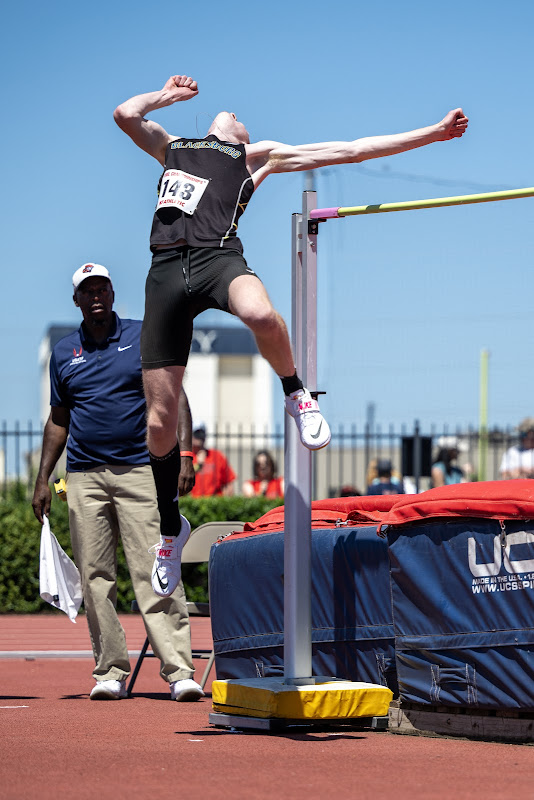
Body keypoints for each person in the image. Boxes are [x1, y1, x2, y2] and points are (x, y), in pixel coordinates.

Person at [113, 73, 468, 592]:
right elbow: (125, 114)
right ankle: (170, 528)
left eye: (241, 120)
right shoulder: (173, 146)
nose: (233, 110)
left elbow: (351, 150)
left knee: (260, 315)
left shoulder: (258, 157)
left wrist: (431, 134)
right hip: (165, 271)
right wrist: (166, 95)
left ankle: (295, 392)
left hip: (217, 258)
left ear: (242, 138)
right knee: (159, 422)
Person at [32, 263, 203, 702]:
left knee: (155, 569)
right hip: (83, 478)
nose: (95, 296)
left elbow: (173, 394)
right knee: (95, 577)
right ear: (76, 300)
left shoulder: (142, 335)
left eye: (101, 288)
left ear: (112, 293)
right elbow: (58, 420)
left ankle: (179, 670)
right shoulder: (64, 353)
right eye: (86, 291)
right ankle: (110, 671)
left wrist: (184, 452)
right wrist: (42, 479)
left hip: (140, 472)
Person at [190, 422, 236, 496]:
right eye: (196, 434)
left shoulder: (217, 456)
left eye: (201, 434)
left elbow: (229, 483)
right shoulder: (185, 457)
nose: (199, 437)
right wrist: (198, 465)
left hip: (214, 502)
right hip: (193, 502)